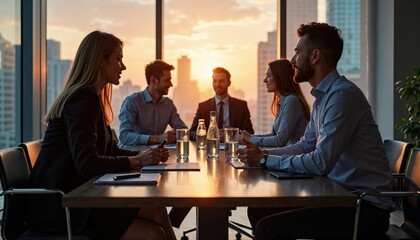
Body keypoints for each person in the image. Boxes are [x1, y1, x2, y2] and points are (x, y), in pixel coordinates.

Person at [237, 22, 394, 239]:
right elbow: (305, 145)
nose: (293, 61)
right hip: (338, 196)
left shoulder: (342, 96)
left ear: (315, 56)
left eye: (297, 52)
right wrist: (262, 155)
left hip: (364, 209)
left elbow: (320, 162)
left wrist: (264, 160)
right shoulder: (323, 97)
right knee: (258, 210)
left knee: (268, 228)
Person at [28, 31, 176, 240]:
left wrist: (145, 157)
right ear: (100, 61)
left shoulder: (92, 98)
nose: (123, 67)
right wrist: (136, 160)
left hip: (82, 194)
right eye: (118, 59)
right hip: (63, 205)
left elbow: (109, 149)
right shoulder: (82, 99)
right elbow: (87, 163)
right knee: (153, 235)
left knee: (157, 209)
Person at [241, 59, 310, 147]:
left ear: (280, 77)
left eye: (268, 76)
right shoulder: (283, 102)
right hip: (287, 155)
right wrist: (246, 138)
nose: (264, 80)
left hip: (295, 157)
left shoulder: (292, 101)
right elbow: (274, 135)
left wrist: (250, 139)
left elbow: (280, 140)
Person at [118, 60, 187, 146]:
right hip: (131, 156)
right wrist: (158, 138)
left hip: (155, 155)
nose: (171, 84)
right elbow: (124, 136)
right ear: (153, 80)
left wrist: (175, 134)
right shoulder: (132, 102)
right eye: (167, 80)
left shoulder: (169, 104)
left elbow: (183, 129)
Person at [190, 67, 254, 141]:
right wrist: (208, 136)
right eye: (215, 81)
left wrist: (230, 134)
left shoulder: (241, 106)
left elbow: (249, 132)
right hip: (210, 148)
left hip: (233, 148)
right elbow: (192, 132)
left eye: (222, 81)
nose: (217, 84)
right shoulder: (203, 106)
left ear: (229, 83)